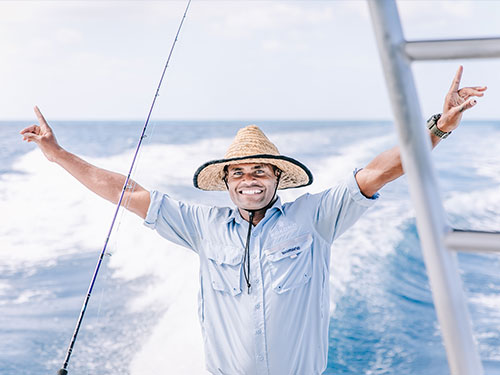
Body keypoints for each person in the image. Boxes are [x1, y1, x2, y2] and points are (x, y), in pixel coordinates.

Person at [20, 66, 486, 375]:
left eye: (259, 170)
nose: (248, 180)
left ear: (276, 178)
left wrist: (439, 126)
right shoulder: (199, 225)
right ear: (225, 181)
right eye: (238, 172)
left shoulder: (317, 216)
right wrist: (58, 155)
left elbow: (382, 169)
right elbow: (127, 192)